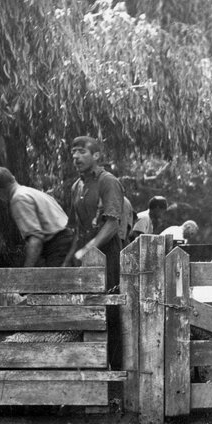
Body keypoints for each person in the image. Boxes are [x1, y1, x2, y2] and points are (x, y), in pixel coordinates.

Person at [66, 136, 127, 368]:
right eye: (73, 152)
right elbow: (78, 229)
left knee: (110, 315)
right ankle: (93, 373)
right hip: (85, 257)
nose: (76, 157)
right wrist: (68, 260)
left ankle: (116, 378)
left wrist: (87, 250)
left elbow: (112, 224)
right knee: (87, 314)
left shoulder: (107, 181)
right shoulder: (77, 186)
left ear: (96, 156)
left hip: (108, 256)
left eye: (81, 152)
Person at [0, 167, 72, 267]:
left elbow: (35, 239)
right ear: (13, 178)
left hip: (58, 247)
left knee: (53, 282)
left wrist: (26, 272)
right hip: (69, 242)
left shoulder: (18, 199)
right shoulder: (32, 192)